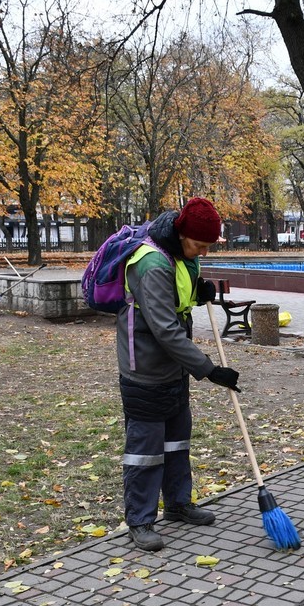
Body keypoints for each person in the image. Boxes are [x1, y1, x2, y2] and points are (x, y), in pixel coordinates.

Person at [117, 197, 240, 552]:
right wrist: (210, 370)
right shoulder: (152, 264)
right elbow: (165, 329)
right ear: (182, 233)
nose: (202, 251)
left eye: (207, 246)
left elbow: (179, 301)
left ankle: (177, 503)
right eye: (199, 245)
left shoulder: (183, 254)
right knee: (145, 450)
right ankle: (140, 520)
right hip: (145, 366)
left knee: (176, 440)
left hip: (173, 366)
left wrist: (201, 292)